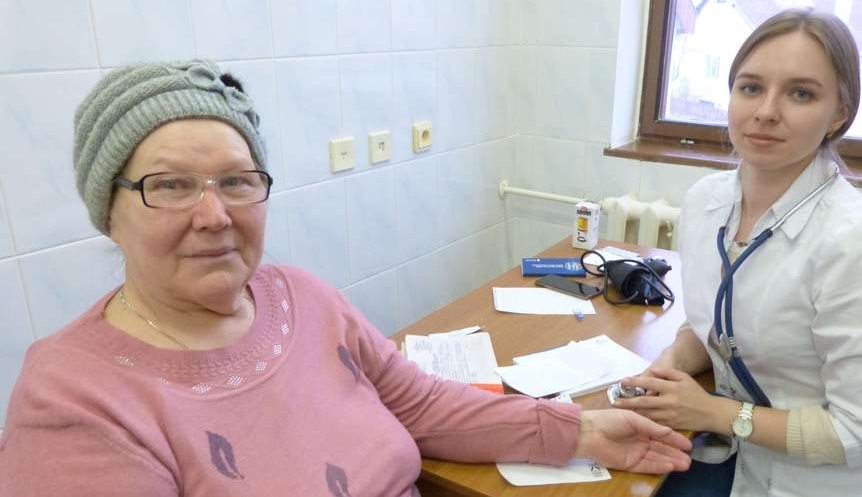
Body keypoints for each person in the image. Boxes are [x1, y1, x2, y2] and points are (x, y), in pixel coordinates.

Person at [0, 60, 691, 496]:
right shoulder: (74, 403)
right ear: (108, 213)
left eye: (237, 181)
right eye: (170, 185)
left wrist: (580, 430)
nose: (214, 215)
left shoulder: (299, 298)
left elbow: (423, 406)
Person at [612, 8, 862, 497]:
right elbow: (711, 325)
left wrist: (712, 412)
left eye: (801, 93)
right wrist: (668, 368)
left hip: (825, 481)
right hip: (733, 452)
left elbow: (861, 433)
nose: (766, 111)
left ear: (839, 114)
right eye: (751, 87)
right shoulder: (706, 202)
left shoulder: (857, 243)